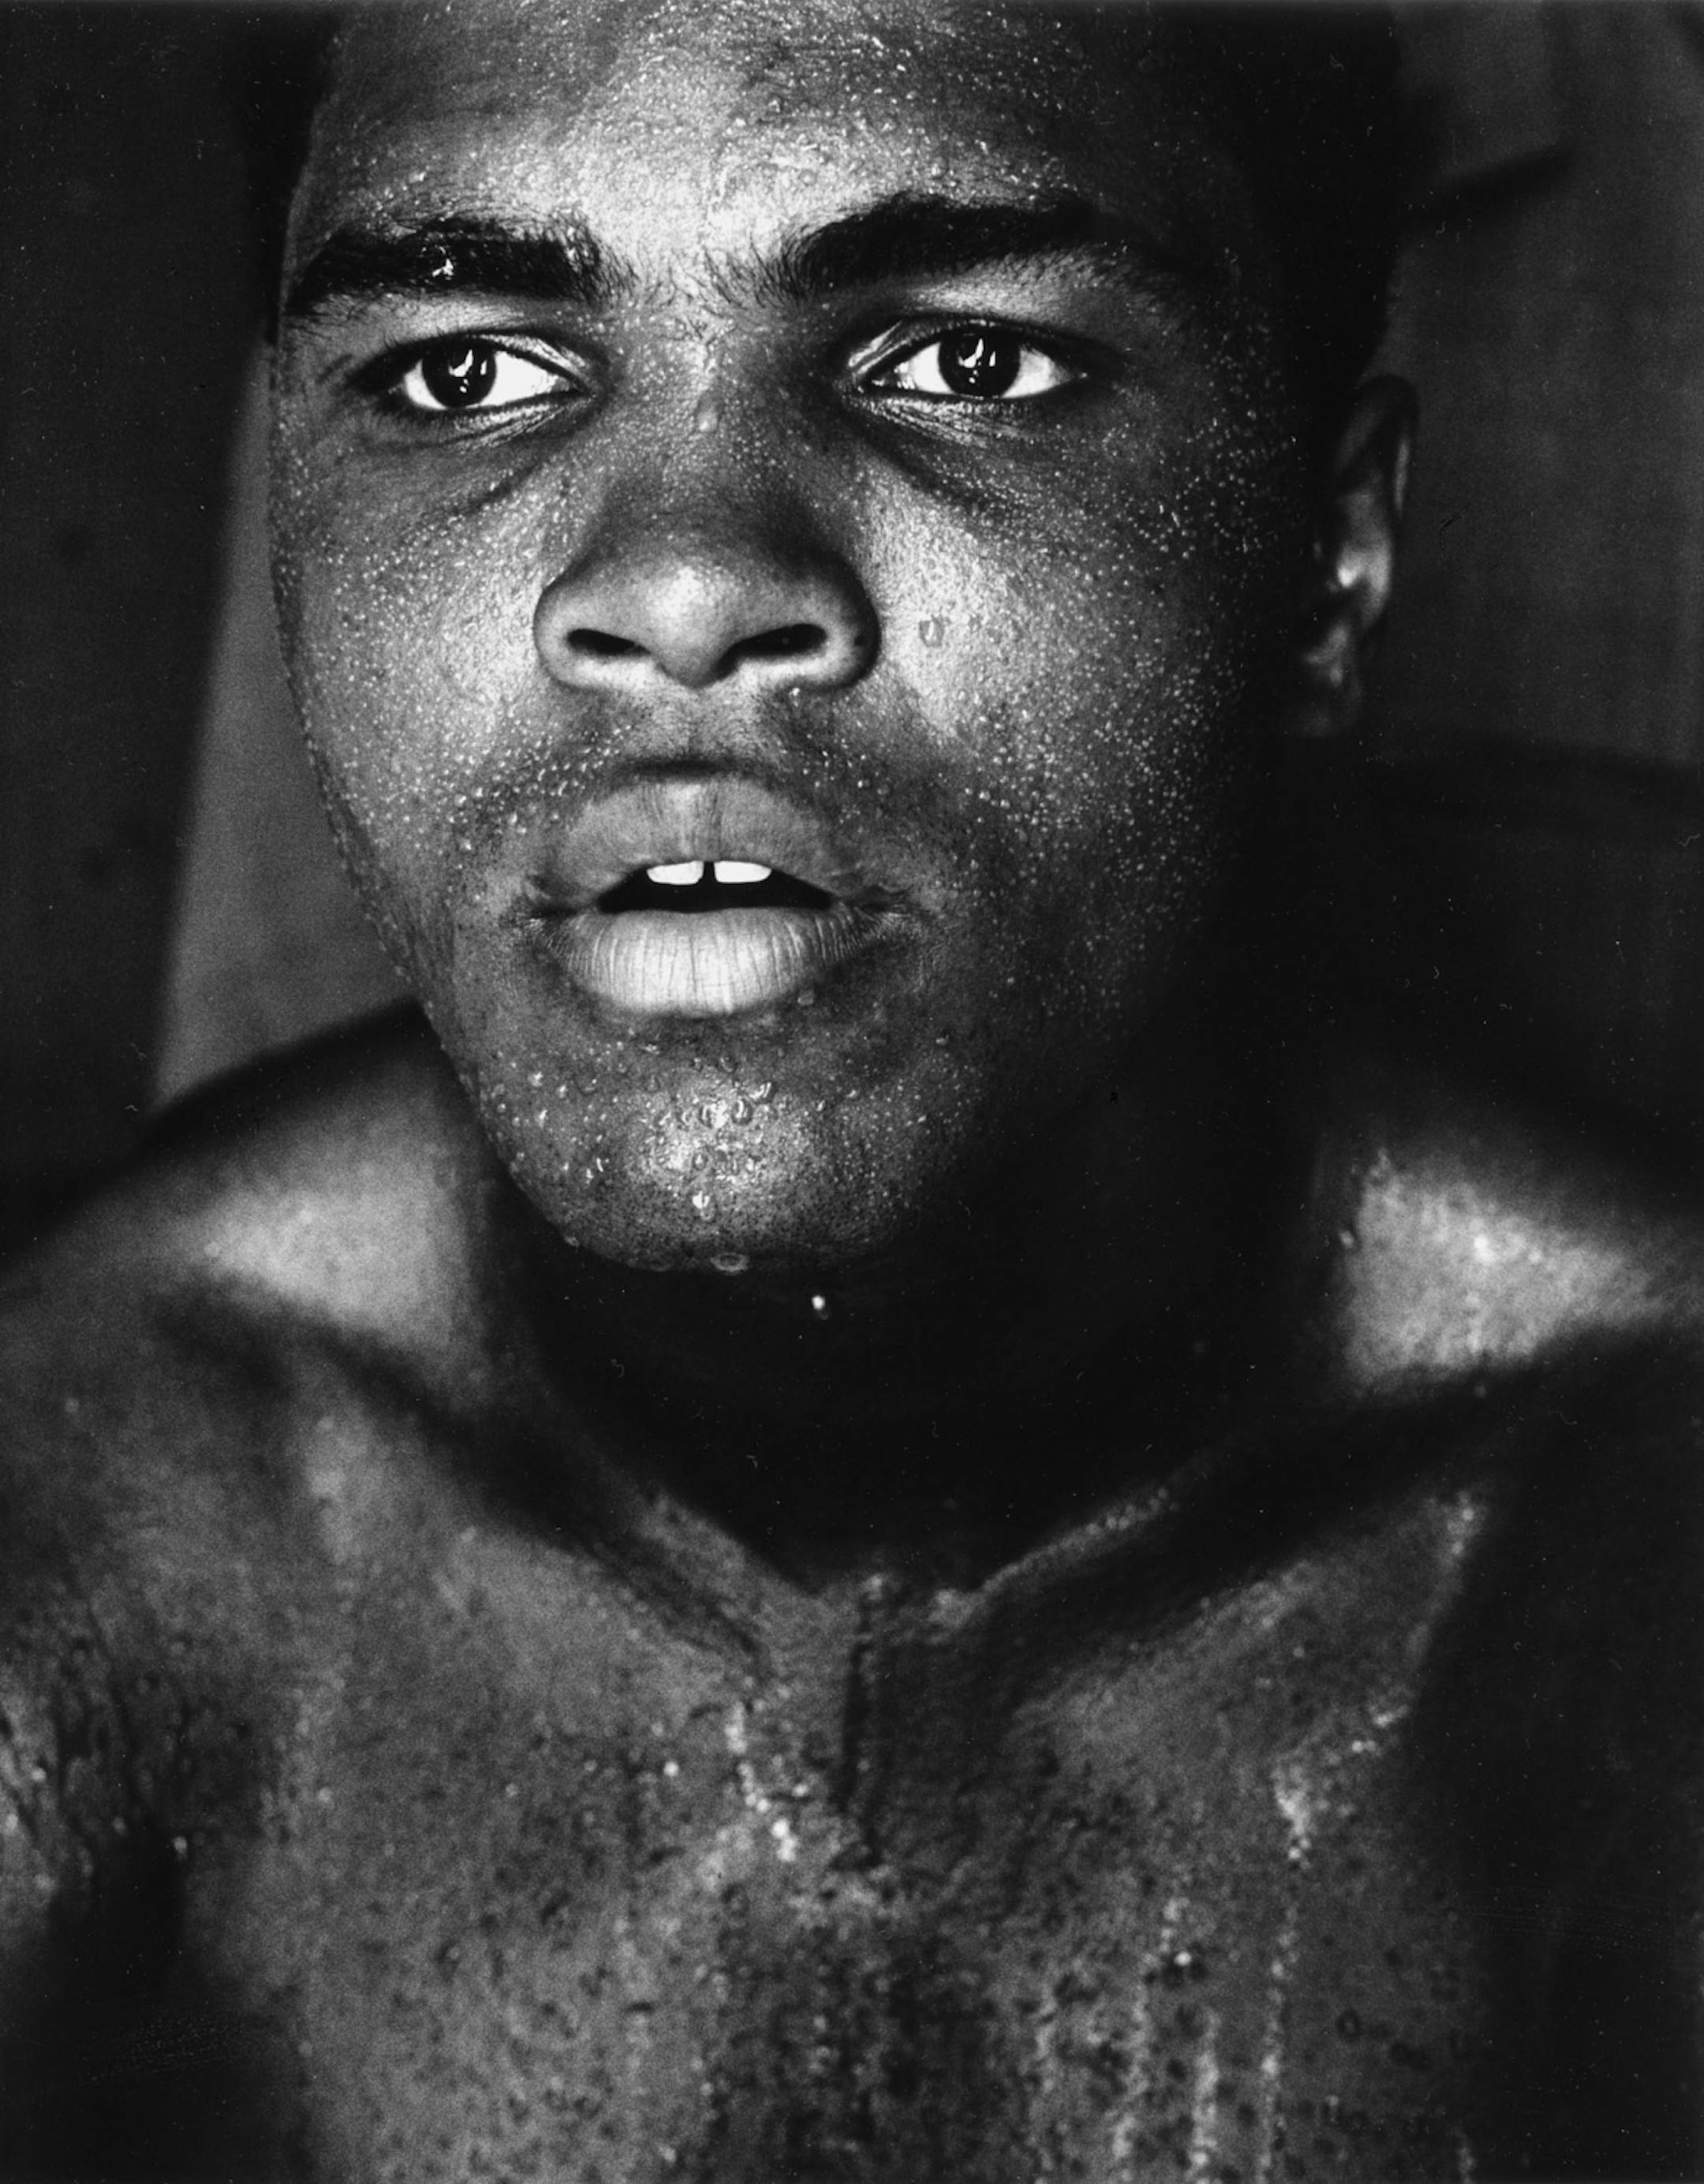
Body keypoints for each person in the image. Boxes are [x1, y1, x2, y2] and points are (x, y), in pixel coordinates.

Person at [2, 2, 1700, 2177]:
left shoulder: (1631, 1571)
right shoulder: (96, 1510)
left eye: (967, 360)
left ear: (1331, 558)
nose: (687, 584)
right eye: (463, 373)